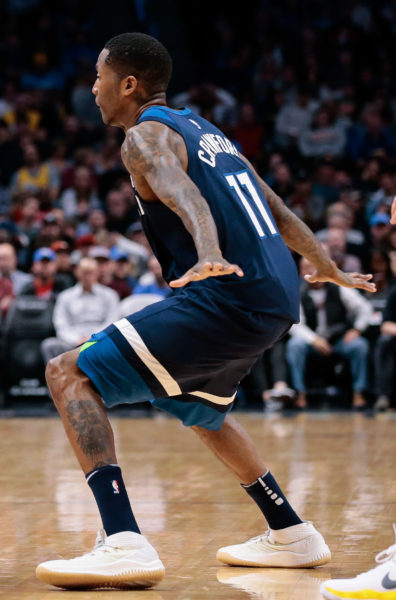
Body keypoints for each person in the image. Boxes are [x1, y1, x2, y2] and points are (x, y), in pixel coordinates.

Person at [36, 33, 374, 590]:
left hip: (226, 293)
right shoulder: (206, 130)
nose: (91, 90)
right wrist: (325, 264)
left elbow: (182, 195)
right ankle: (291, 532)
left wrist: (210, 251)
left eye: (98, 78)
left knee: (68, 371)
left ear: (128, 84)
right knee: (200, 406)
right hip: (276, 299)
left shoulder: (144, 137)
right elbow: (275, 205)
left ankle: (122, 541)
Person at [286, 257, 373, 409]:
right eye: (306, 267)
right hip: (311, 343)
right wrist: (314, 339)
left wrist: (356, 329)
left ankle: (359, 392)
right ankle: (300, 393)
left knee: (359, 345)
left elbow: (365, 308)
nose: (311, 271)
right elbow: (295, 324)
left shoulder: (338, 287)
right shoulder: (296, 291)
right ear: (301, 272)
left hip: (338, 340)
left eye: (315, 266)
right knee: (295, 345)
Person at [40, 257, 120, 363]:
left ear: (97, 273)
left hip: (100, 341)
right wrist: (76, 340)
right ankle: (57, 379)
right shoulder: (65, 296)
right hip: (72, 343)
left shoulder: (110, 295)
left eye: (90, 272)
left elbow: (112, 322)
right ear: (77, 273)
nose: (87, 277)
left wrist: (93, 338)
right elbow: (61, 324)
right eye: (84, 273)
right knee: (49, 345)